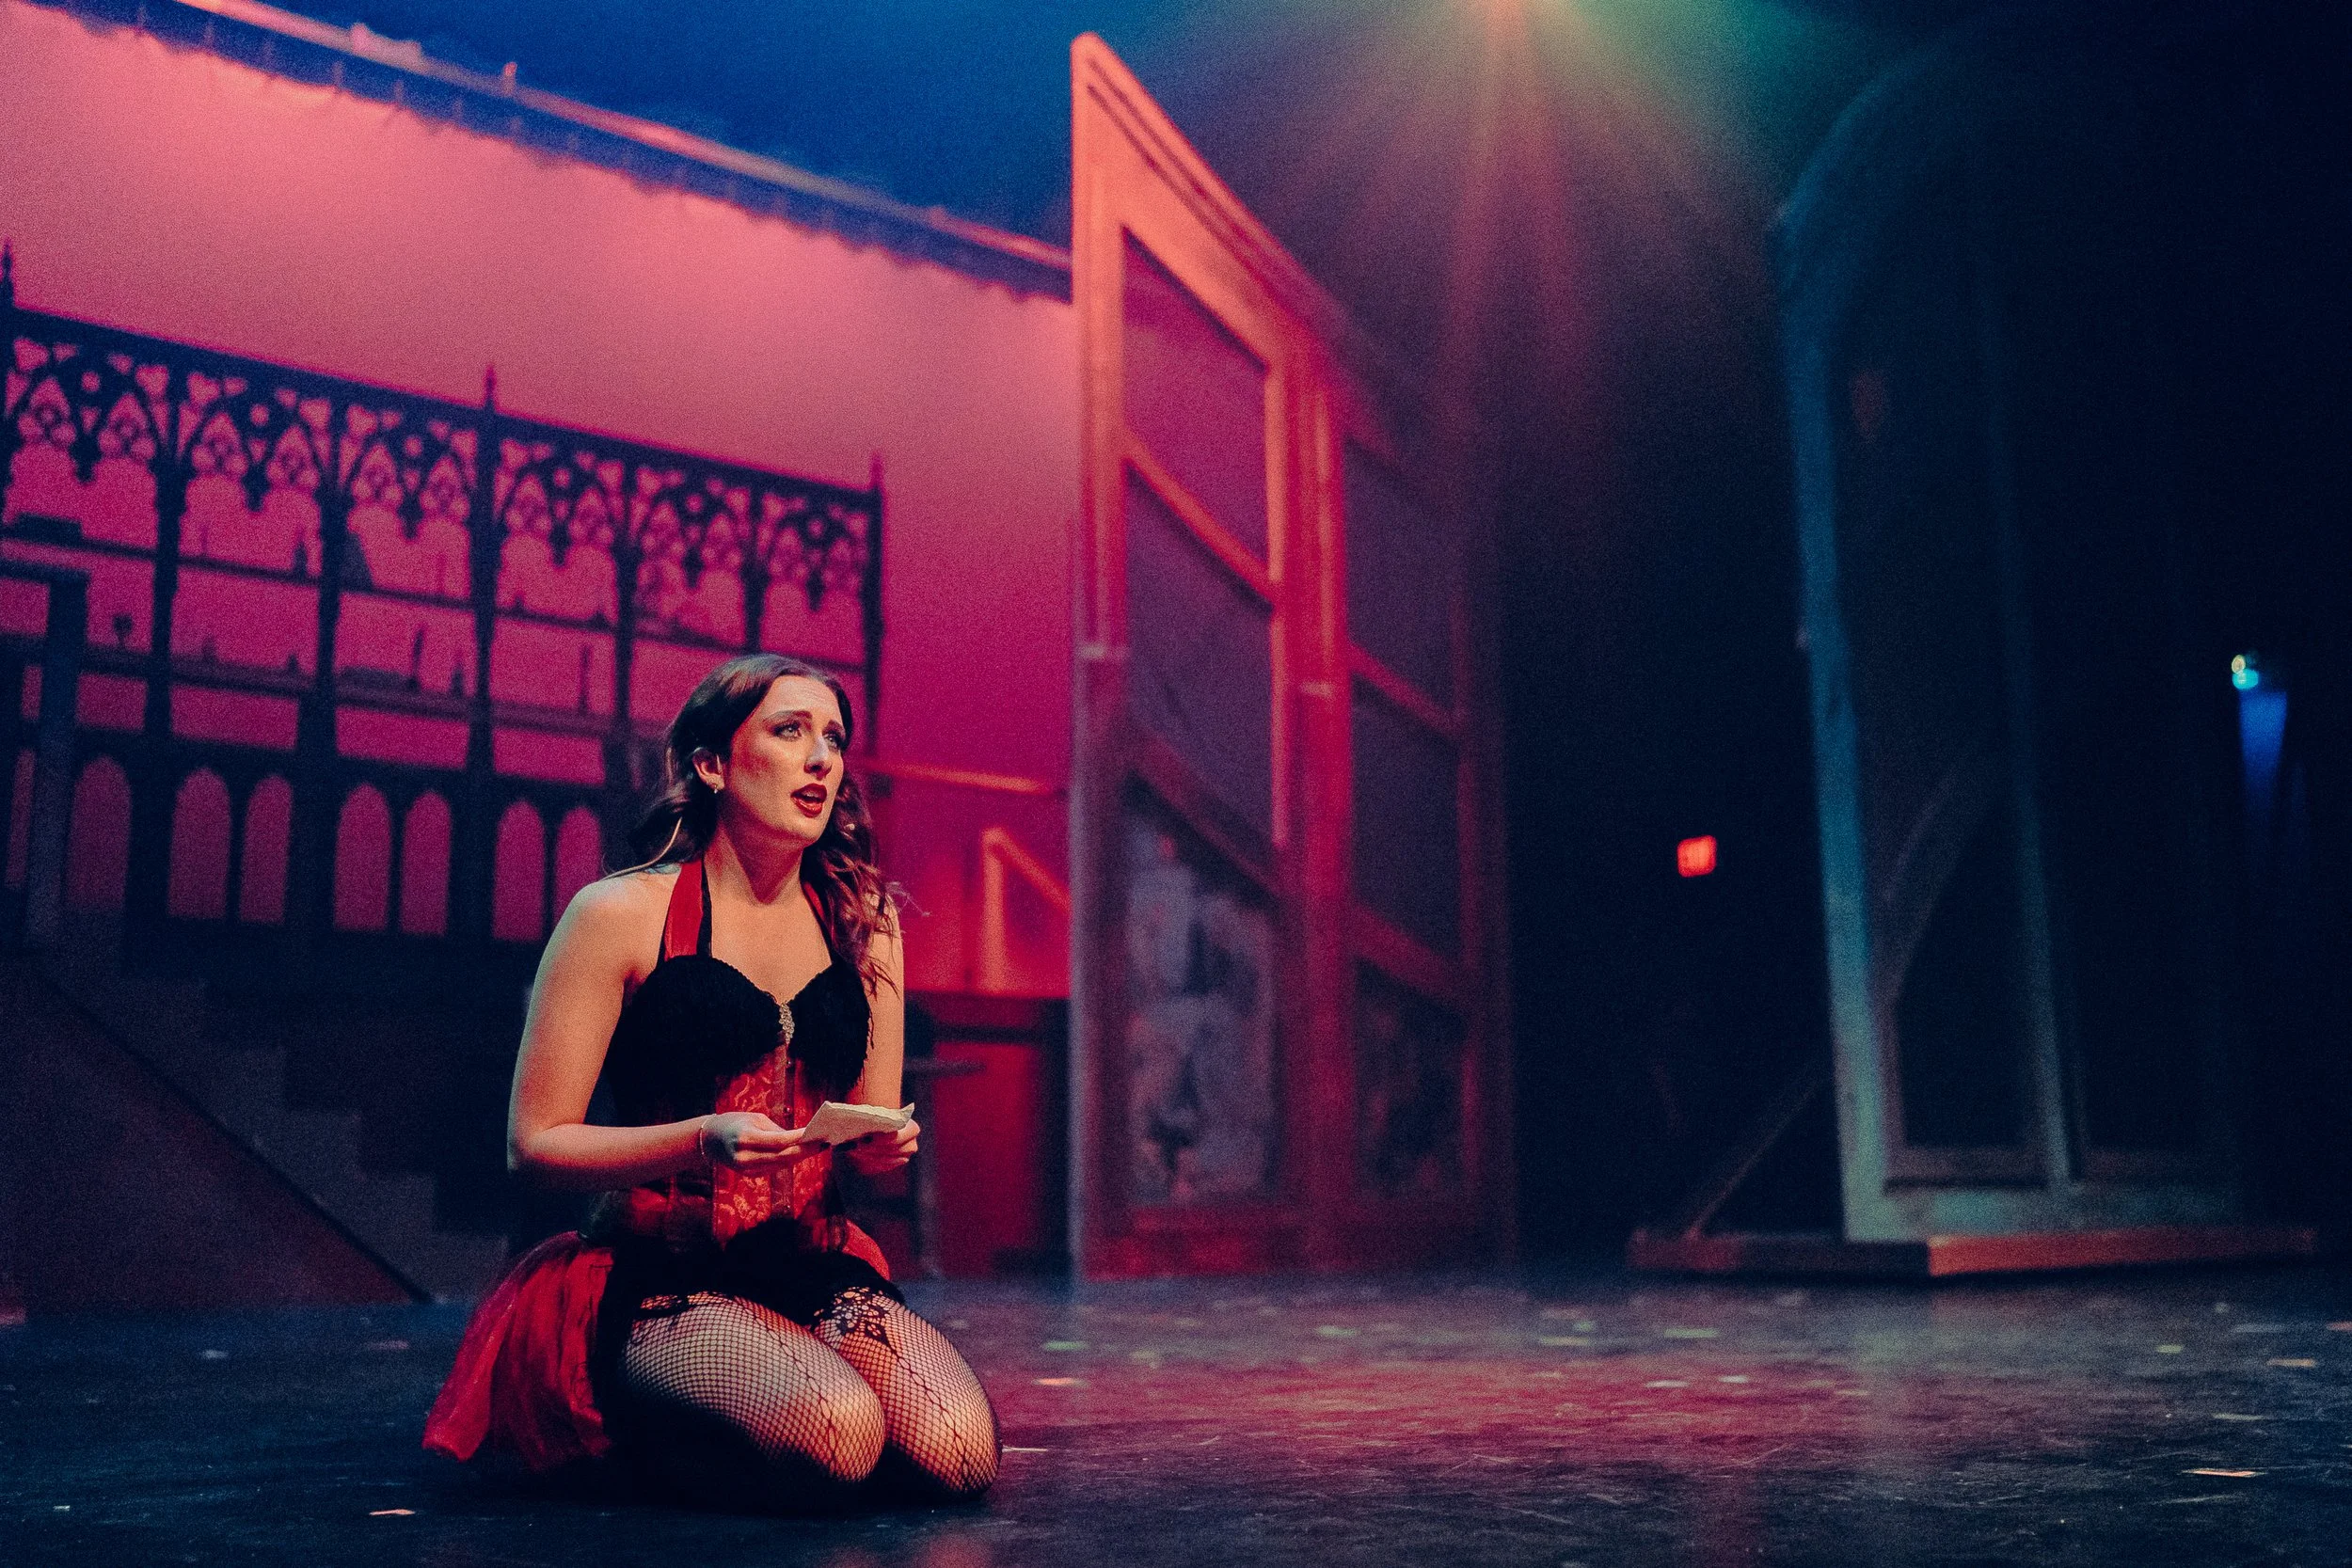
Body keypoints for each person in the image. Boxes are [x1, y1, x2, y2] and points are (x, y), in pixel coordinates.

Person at [423, 654, 998, 1508]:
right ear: (713, 762)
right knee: (840, 1432)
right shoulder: (619, 915)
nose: (821, 759)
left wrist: (883, 1144)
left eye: (833, 738)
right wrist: (700, 1137)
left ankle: (767, 1404)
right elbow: (533, 1143)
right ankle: (647, 1432)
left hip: (807, 1259)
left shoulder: (865, 922)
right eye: (789, 730)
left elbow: (874, 1140)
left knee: (959, 1452)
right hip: (660, 1268)